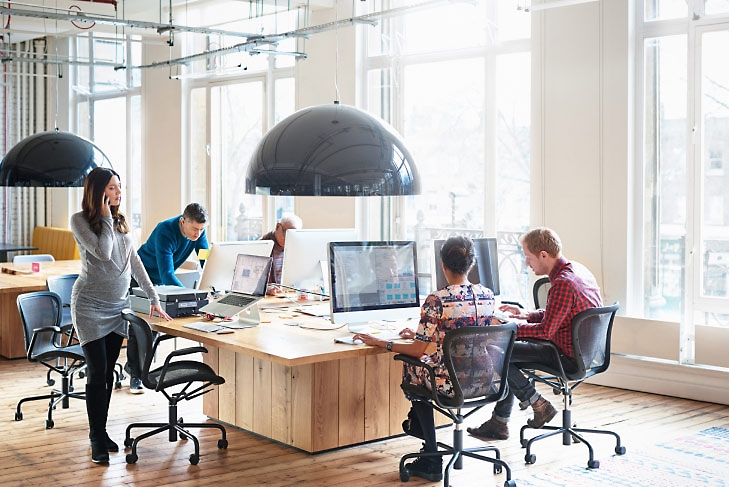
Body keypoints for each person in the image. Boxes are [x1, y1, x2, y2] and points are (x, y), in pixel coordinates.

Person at [353, 236, 496, 482]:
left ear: (443, 265)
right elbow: (460, 334)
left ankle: (430, 454)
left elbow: (418, 351)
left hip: (449, 382)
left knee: (412, 368)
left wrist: (381, 343)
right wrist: (420, 334)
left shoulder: (437, 300)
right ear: (471, 264)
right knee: (425, 366)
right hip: (483, 377)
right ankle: (420, 430)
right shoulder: (487, 295)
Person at [70, 167, 172, 464]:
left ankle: (102, 431)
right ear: (99, 192)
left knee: (108, 373)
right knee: (97, 371)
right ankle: (95, 438)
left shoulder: (121, 223)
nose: (118, 193)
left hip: (117, 308)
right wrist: (104, 216)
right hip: (89, 306)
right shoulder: (81, 221)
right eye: (112, 188)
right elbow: (102, 252)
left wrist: (153, 298)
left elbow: (135, 262)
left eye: (119, 187)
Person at [466, 227, 603, 441]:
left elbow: (546, 332)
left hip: (565, 356)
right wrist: (526, 315)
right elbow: (561, 314)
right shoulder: (577, 271)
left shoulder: (563, 284)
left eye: (528, 257)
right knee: (506, 352)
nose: (526, 263)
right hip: (586, 353)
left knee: (497, 352)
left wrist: (508, 328)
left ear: (543, 255)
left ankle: (538, 405)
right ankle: (500, 422)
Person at [125, 203, 209, 393]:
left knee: (153, 329)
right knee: (140, 327)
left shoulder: (199, 233)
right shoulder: (165, 230)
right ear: (183, 221)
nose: (198, 234)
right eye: (195, 229)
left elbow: (206, 260)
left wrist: (214, 284)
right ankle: (135, 374)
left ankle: (137, 368)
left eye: (202, 230)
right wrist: (192, 296)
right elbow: (167, 274)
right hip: (141, 277)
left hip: (161, 282)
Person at [259, 213, 303, 294]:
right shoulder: (262, 246)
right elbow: (251, 282)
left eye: (293, 235)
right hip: (269, 297)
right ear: (278, 227)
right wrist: (266, 289)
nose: (288, 239)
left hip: (287, 294)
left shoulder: (294, 247)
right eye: (286, 233)